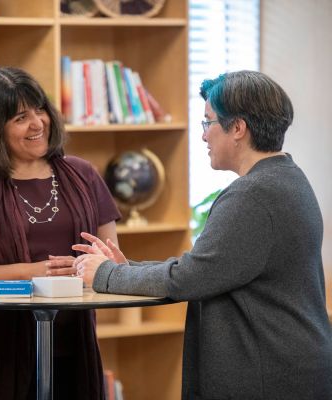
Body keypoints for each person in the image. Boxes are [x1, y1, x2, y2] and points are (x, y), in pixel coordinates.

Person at [73, 70, 332, 400]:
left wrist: (108, 275)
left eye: (208, 123)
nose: (203, 136)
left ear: (237, 128)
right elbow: (213, 268)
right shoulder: (288, 178)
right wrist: (128, 270)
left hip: (267, 372)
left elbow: (190, 278)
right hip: (288, 365)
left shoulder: (252, 195)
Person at [0, 66, 121, 400]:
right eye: (20, 117)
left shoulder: (84, 175)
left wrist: (103, 266)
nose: (37, 123)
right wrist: (36, 273)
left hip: (71, 338)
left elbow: (110, 255)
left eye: (40, 109)